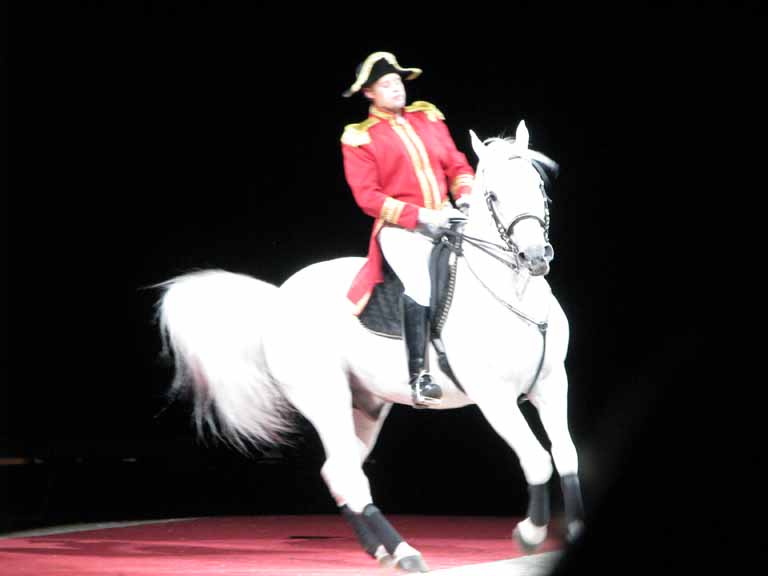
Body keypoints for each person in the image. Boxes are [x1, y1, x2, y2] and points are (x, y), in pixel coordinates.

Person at [340, 51, 475, 407]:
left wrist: (464, 195)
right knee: (420, 284)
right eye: (386, 84)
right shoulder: (360, 137)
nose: (396, 89)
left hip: (448, 215)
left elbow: (457, 163)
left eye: (398, 82)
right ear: (370, 93)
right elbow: (368, 197)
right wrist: (421, 217)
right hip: (402, 228)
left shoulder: (427, 118)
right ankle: (420, 376)